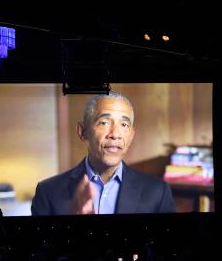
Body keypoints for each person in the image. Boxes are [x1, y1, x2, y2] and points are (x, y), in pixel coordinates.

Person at [31, 92, 175, 215]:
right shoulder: (48, 192)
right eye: (104, 123)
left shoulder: (158, 191)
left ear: (131, 135)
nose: (115, 134)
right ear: (82, 132)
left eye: (124, 125)